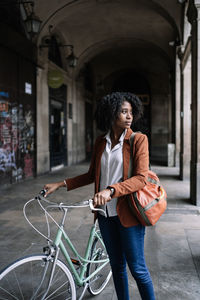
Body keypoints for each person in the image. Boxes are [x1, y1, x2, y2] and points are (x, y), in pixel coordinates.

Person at [44, 92, 156, 300]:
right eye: (124, 112)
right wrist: (60, 184)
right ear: (111, 114)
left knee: (138, 269)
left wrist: (110, 190)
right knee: (117, 267)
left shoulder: (138, 140)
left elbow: (141, 178)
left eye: (131, 112)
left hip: (128, 215)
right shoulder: (100, 143)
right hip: (104, 216)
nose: (129, 116)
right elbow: (91, 175)